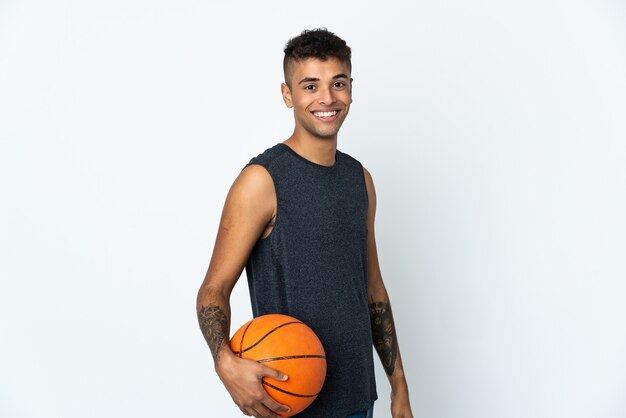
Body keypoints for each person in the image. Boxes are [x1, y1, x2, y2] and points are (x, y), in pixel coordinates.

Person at [197, 28, 414, 418]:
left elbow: (373, 290)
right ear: (287, 95)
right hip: (291, 401)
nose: (327, 98)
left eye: (338, 83)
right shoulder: (262, 181)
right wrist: (225, 363)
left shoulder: (359, 179)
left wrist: (399, 386)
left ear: (351, 88)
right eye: (310, 85)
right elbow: (213, 290)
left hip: (360, 401)